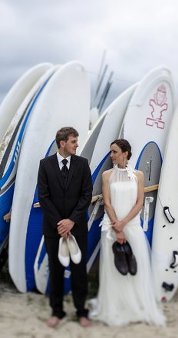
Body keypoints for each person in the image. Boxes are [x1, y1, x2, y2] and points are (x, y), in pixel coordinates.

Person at [89, 139, 165, 326]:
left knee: (134, 266)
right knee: (115, 268)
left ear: (125, 153)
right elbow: (107, 202)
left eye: (115, 152)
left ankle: (136, 306)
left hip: (131, 226)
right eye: (111, 152)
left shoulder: (138, 175)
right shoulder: (107, 175)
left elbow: (139, 202)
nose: (112, 155)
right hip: (112, 226)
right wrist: (117, 226)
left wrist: (123, 224)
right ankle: (116, 305)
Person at [37, 127, 93, 328]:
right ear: (62, 143)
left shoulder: (82, 164)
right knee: (56, 270)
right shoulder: (45, 165)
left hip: (77, 228)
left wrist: (71, 221)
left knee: (79, 271)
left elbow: (87, 195)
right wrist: (59, 223)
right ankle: (57, 311)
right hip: (54, 229)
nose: (77, 145)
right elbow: (43, 197)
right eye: (73, 141)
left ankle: (81, 311)